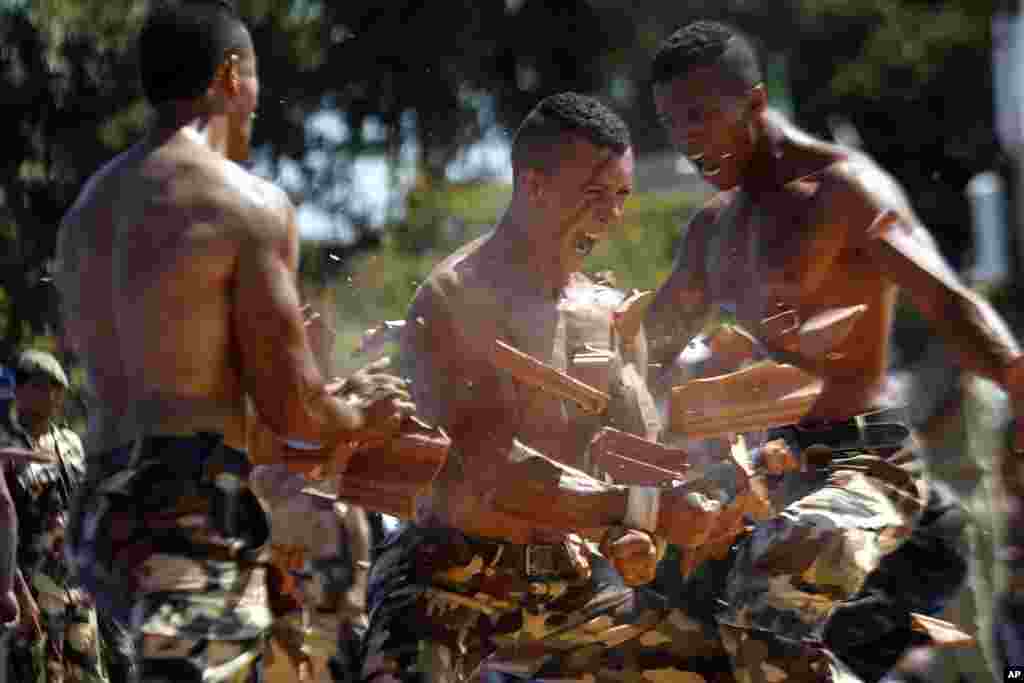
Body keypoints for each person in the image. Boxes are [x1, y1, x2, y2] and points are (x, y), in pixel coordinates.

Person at [643, 19, 1024, 681]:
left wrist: (1016, 379)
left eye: (700, 116)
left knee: (763, 611)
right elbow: (644, 352)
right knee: (676, 634)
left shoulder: (842, 191)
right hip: (778, 469)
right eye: (673, 123)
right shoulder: (712, 232)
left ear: (755, 103)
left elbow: (948, 303)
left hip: (870, 461)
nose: (687, 140)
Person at [52, 1, 412, 681]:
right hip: (192, 514)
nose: (257, 105)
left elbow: (175, 381)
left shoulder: (88, 211)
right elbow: (293, 410)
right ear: (229, 76)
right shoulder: (245, 206)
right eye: (255, 82)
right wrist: (360, 411)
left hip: (102, 514)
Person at [362, 92, 753, 683]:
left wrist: (656, 525)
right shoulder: (457, 298)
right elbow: (493, 468)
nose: (611, 215)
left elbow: (629, 462)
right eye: (594, 194)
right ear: (533, 185)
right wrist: (642, 510)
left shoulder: (607, 315)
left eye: (621, 195)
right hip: (448, 577)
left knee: (725, 667)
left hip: (569, 579)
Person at [2, 350, 108, 683]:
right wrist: (19, 595)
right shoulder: (6, 447)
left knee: (88, 676)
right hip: (31, 588)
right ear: (20, 391)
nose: (54, 396)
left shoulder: (70, 442)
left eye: (57, 388)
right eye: (43, 387)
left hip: (76, 587)